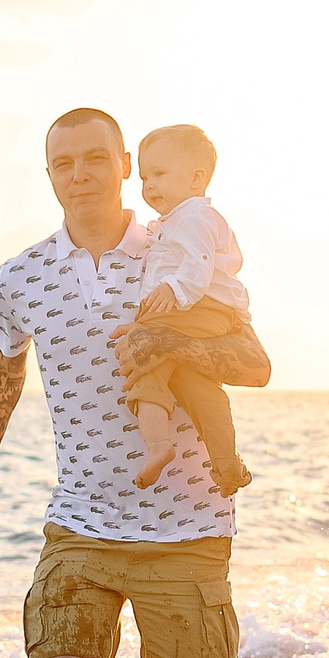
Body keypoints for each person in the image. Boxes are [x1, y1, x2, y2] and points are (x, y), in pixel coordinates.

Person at [0, 107, 273, 658]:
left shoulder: (177, 244)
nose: (80, 173)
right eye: (62, 161)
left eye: (95, 157)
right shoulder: (21, 276)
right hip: (81, 520)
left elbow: (254, 360)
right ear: (48, 173)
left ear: (124, 162)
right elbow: (2, 374)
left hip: (190, 523)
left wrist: (172, 346)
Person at [123, 123, 253, 494]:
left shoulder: (195, 216)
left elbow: (196, 266)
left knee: (144, 356)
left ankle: (159, 446)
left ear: (197, 178)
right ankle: (228, 467)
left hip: (204, 306)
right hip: (199, 309)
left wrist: (156, 310)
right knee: (198, 387)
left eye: (160, 174)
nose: (149, 185)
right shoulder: (175, 220)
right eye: (145, 177)